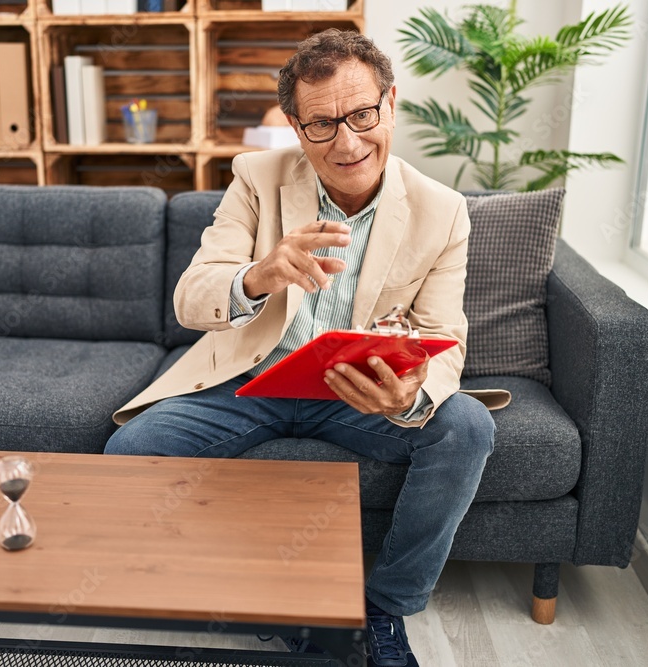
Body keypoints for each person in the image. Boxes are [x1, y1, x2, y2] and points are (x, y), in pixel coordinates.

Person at [106, 29, 501, 667]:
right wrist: (259, 274)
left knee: (465, 425)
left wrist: (410, 392)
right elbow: (191, 297)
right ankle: (280, 603)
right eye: (321, 124)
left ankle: (384, 610)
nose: (346, 143)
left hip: (355, 395)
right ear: (295, 125)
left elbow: (446, 336)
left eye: (362, 115)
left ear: (390, 103)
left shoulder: (442, 210)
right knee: (126, 455)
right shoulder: (257, 177)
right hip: (249, 383)